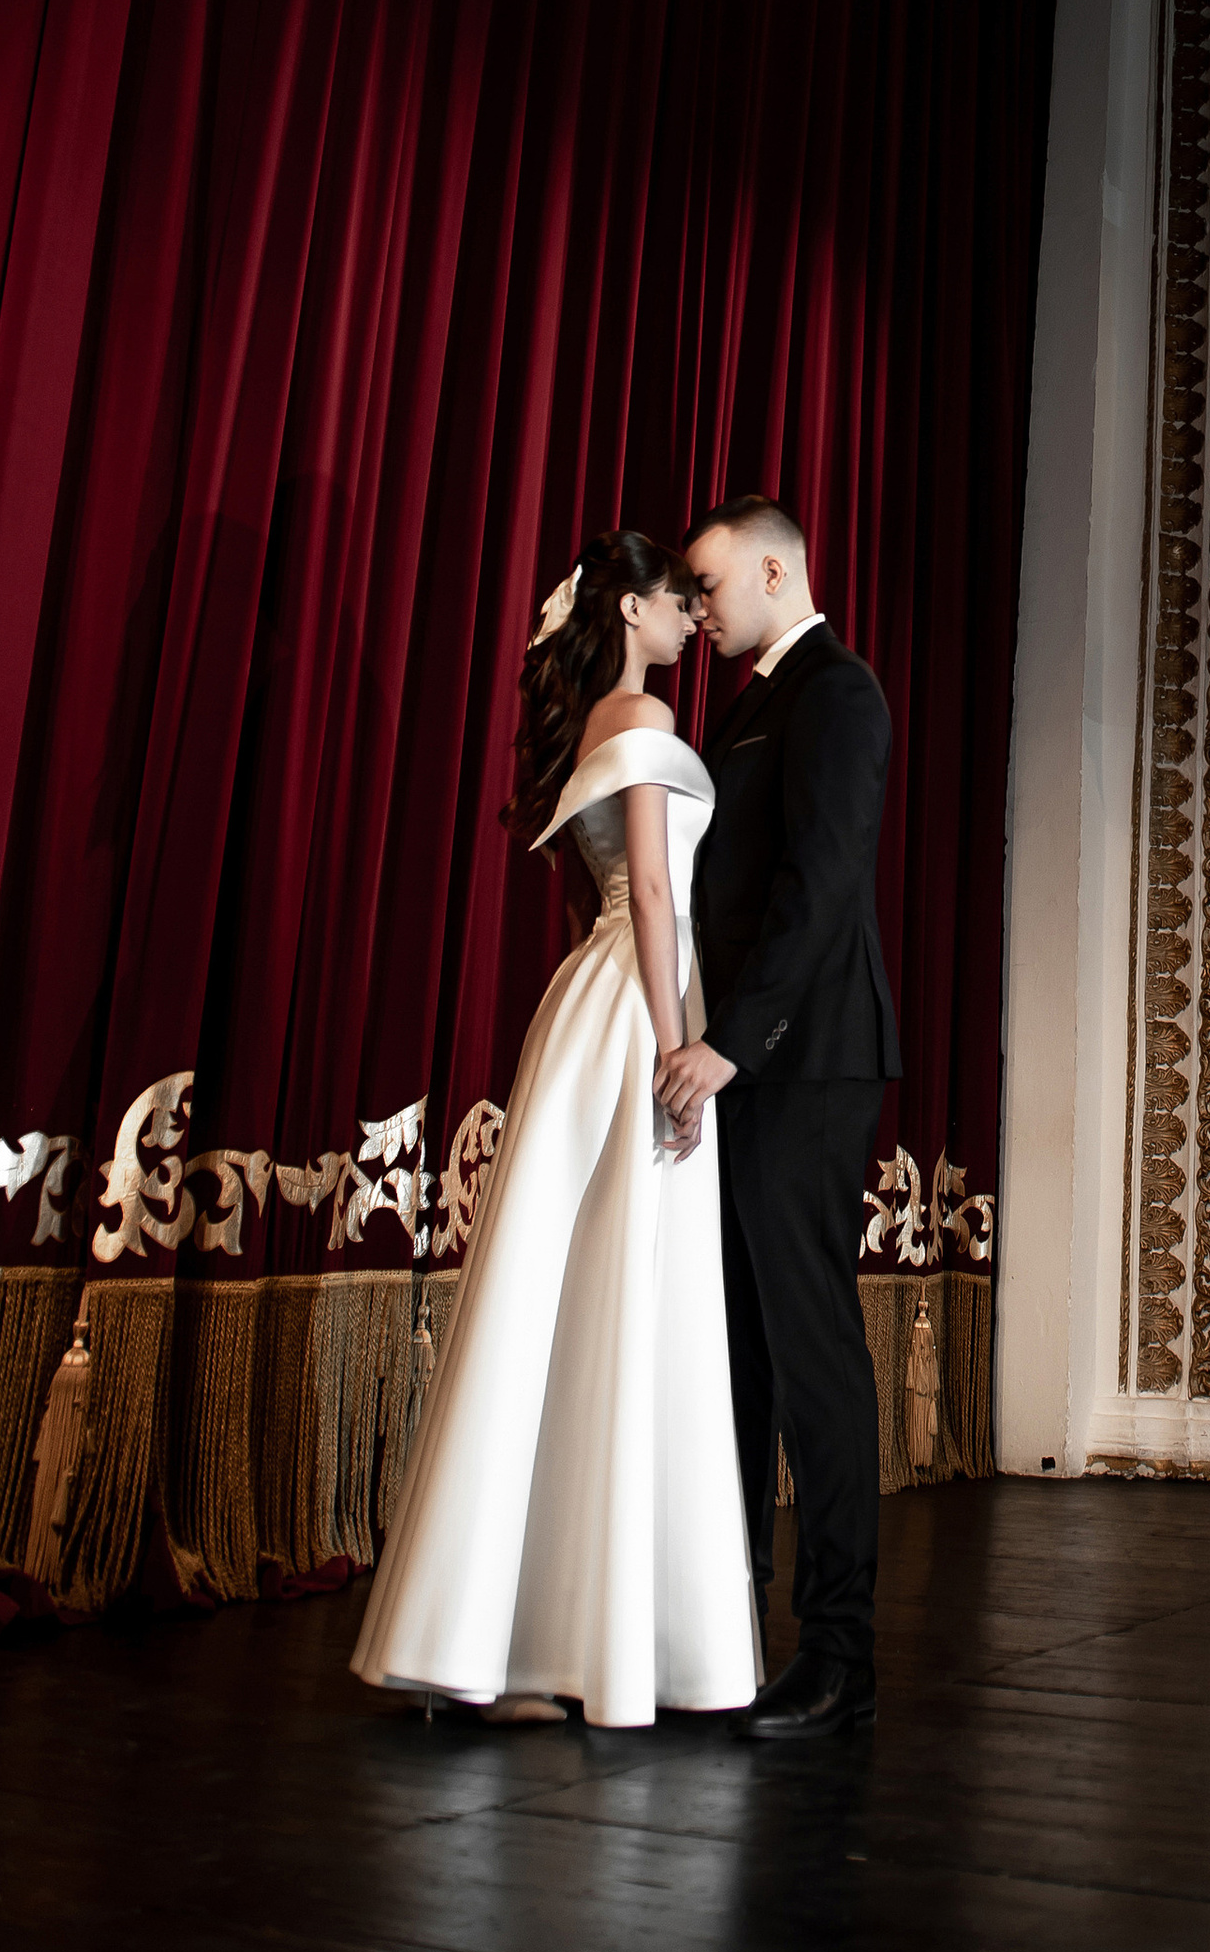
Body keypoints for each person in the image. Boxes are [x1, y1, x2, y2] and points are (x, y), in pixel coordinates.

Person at [351, 529, 759, 1729]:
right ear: (630, 610)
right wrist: (685, 1037)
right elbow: (650, 894)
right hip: (635, 1008)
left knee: (565, 1303)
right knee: (614, 1300)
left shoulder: (600, 728)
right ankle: (573, 1639)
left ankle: (515, 1634)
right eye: (676, 603)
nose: (693, 620)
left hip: (593, 1005)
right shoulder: (643, 730)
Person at [658, 494, 897, 1743]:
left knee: (811, 1357)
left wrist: (731, 1048)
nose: (698, 611)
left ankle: (842, 1653)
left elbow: (820, 891)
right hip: (752, 1062)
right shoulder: (754, 699)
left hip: (803, 1063)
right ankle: (736, 1626)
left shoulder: (837, 692)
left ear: (771, 568)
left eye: (706, 586)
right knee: (745, 1351)